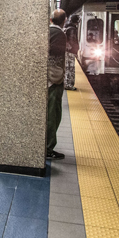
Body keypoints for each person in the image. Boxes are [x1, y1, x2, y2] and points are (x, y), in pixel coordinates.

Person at [47, 9, 67, 160]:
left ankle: (46, 145)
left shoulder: (47, 31)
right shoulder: (59, 34)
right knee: (54, 114)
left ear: (51, 19)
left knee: (50, 114)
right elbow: (56, 56)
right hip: (53, 80)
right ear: (64, 20)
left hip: (47, 79)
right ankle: (48, 148)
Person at [64, 15, 80, 91]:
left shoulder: (67, 27)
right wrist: (75, 50)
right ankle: (68, 84)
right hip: (70, 51)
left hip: (67, 51)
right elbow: (72, 41)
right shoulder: (72, 29)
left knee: (67, 68)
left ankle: (67, 83)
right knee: (70, 68)